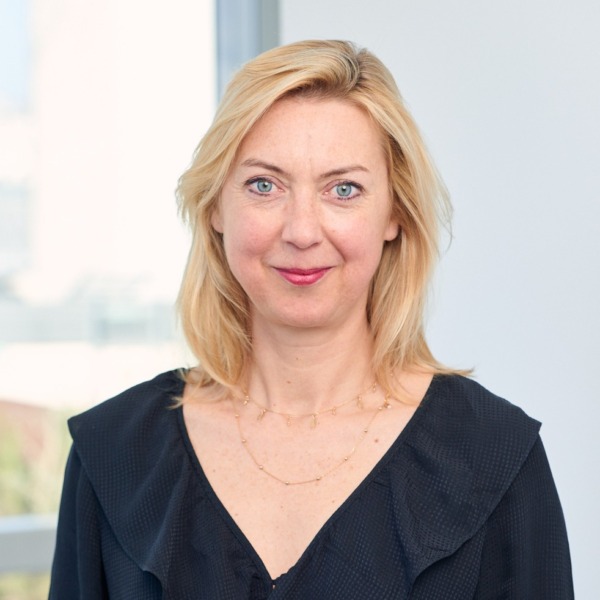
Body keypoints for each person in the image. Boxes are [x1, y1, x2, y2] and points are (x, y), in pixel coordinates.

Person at [49, 40, 573, 599]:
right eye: (264, 185)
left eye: (343, 189)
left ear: (394, 214)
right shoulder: (115, 455)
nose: (301, 230)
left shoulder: (493, 455)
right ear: (215, 209)